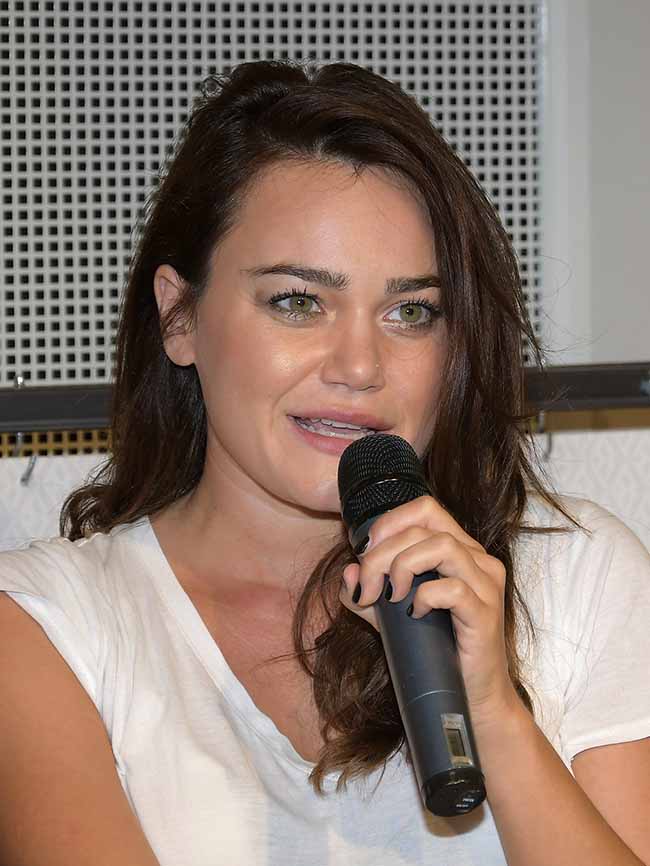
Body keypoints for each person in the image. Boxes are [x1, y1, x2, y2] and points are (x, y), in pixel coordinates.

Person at [0, 58, 648, 866]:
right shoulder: (48, 627)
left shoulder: (577, 575)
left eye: (411, 312)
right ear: (179, 317)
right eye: (299, 302)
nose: (360, 365)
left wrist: (494, 711)